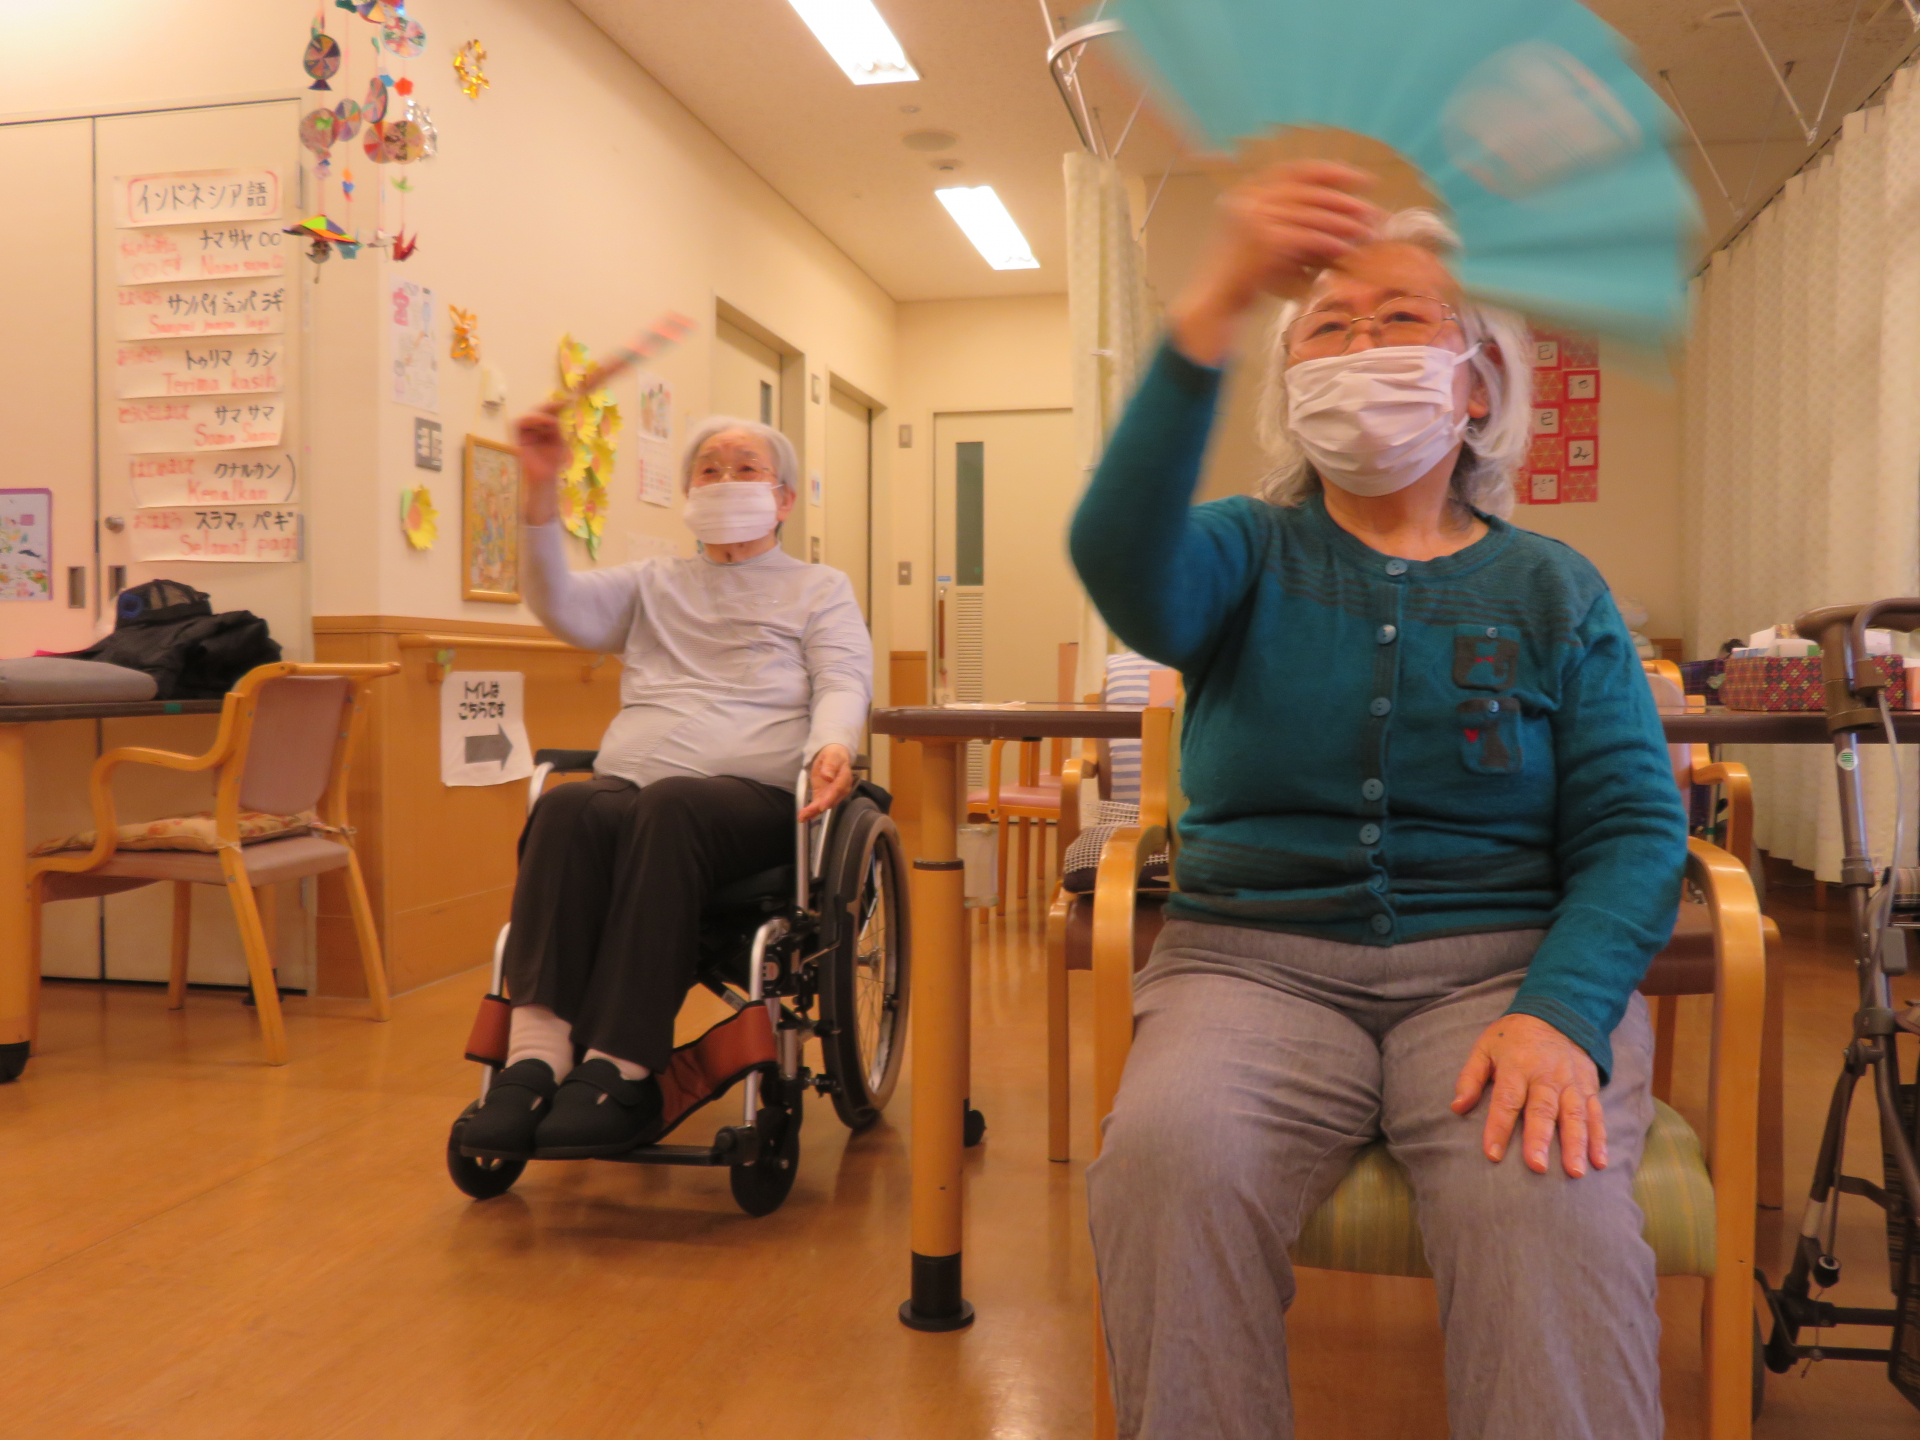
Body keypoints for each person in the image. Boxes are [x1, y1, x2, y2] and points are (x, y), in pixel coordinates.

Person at [1070, 161, 1686, 1440]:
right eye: (1327, 329)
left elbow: (1633, 827)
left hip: (1502, 975)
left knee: (1545, 1201)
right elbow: (1120, 562)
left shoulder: (1553, 588)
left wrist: (1562, 1013)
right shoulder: (1245, 550)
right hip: (1250, 969)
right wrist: (1217, 298)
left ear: (1479, 383)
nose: (1360, 347)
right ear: (1291, 385)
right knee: (1169, 1166)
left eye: (1401, 318)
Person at [458, 412, 871, 1161]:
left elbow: (843, 677)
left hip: (752, 799)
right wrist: (540, 490)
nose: (724, 479)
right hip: (639, 789)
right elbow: (557, 602)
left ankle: (620, 1065)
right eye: (708, 469)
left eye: (745, 468)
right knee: (570, 804)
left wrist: (834, 744)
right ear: (687, 494)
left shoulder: (819, 587)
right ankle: (535, 1058)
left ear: (783, 499)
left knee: (673, 804)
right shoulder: (653, 582)